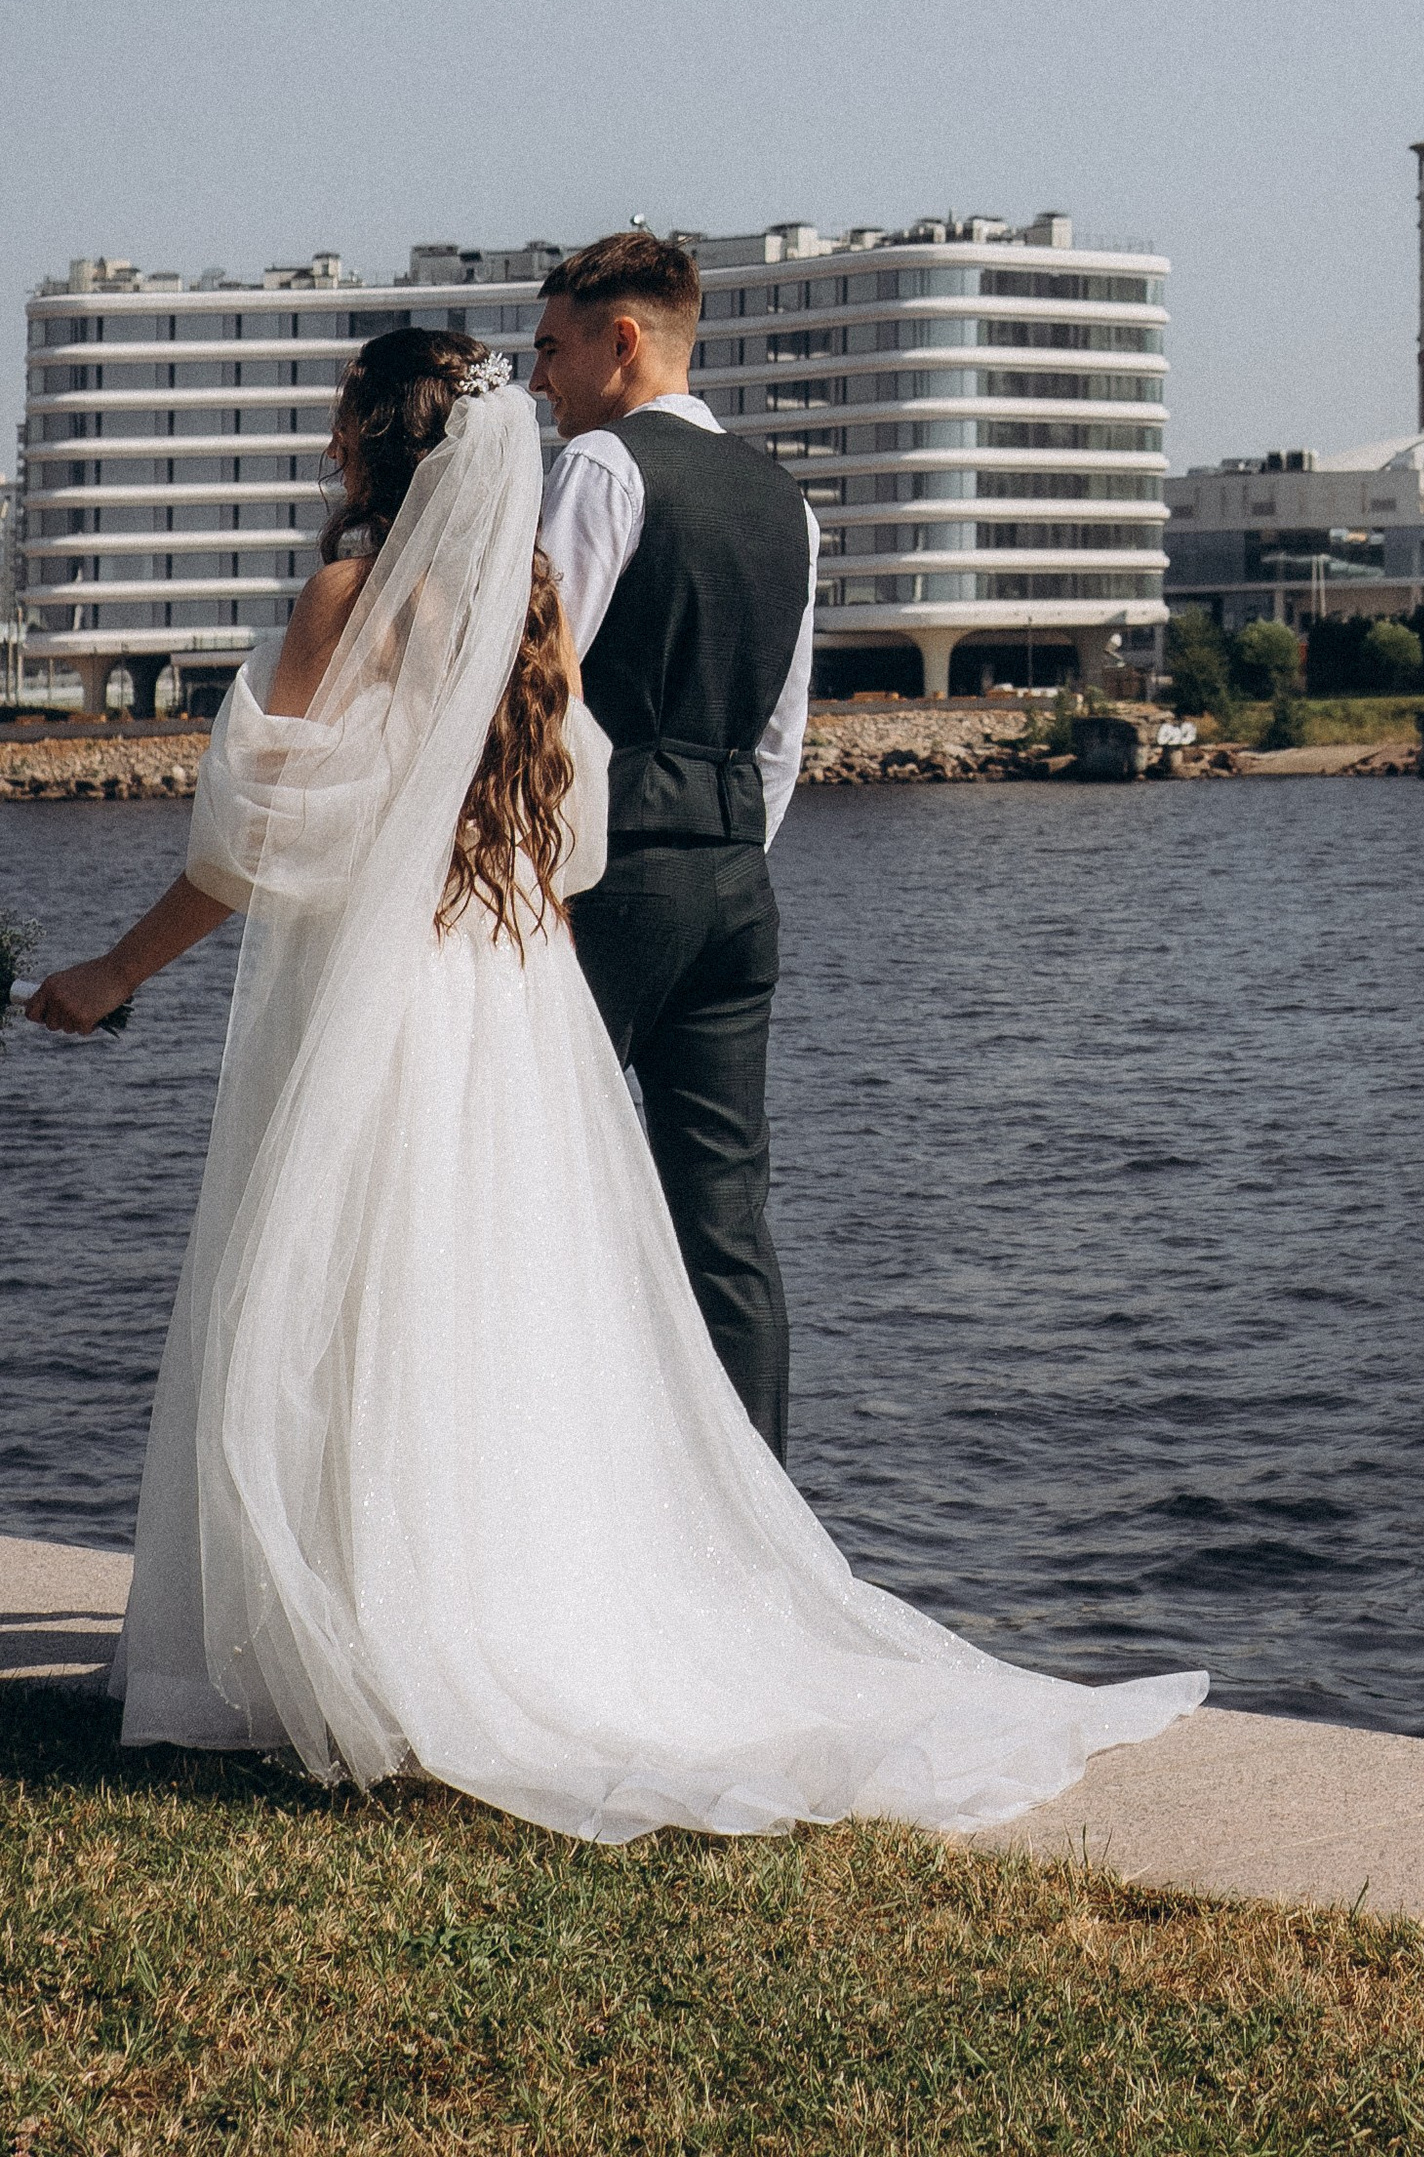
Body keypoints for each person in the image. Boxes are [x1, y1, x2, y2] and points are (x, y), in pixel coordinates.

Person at [28, 329, 1204, 1840]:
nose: (326, 442)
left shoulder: (347, 599)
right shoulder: (523, 612)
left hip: (381, 1000)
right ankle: (477, 1615)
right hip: (506, 995)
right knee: (490, 1312)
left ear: (370, 439)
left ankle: (363, 1635)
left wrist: (111, 972)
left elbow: (255, 844)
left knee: (339, 1296)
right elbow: (566, 836)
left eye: (338, 418)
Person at [531, 230, 812, 1458]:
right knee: (725, 1219)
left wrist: (535, 873)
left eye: (552, 349)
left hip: (612, 874)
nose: (539, 379)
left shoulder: (602, 465)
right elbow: (783, 734)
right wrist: (726, 846)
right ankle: (761, 1509)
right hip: (737, 879)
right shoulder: (784, 498)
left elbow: (534, 688)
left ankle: (561, 1481)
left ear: (622, 340)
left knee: (541, 1177)